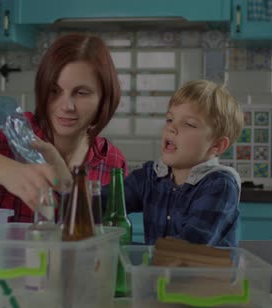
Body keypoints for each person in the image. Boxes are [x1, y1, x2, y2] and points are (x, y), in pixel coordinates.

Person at [0, 33, 128, 223]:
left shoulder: (113, 163)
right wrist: (9, 172)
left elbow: (106, 240)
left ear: (104, 98)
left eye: (81, 93)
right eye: (54, 91)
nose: (67, 106)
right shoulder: (12, 132)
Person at [104, 79, 244, 247]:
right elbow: (104, 202)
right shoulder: (151, 176)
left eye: (189, 124)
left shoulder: (220, 185)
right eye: (170, 119)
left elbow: (188, 249)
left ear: (217, 145)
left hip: (202, 274)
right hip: (161, 272)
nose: (172, 128)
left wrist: (123, 250)